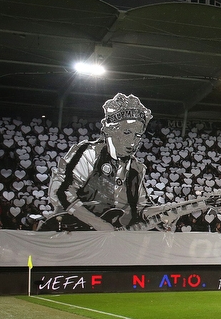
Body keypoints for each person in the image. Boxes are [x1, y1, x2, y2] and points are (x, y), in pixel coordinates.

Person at [46, 93, 152, 230]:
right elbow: (62, 192)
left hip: (111, 241)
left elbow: (143, 207)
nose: (133, 141)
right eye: (127, 132)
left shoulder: (136, 169)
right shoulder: (89, 153)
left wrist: (166, 214)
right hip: (73, 232)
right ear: (111, 131)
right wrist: (99, 224)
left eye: (138, 135)